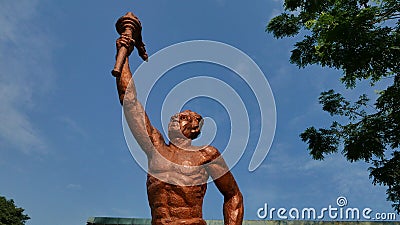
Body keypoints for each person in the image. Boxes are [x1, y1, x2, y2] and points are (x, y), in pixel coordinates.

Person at [113, 35, 244, 225]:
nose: (175, 119)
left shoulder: (206, 155)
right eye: (175, 117)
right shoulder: (156, 147)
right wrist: (123, 54)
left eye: (183, 118)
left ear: (195, 127)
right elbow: (129, 100)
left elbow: (233, 195)